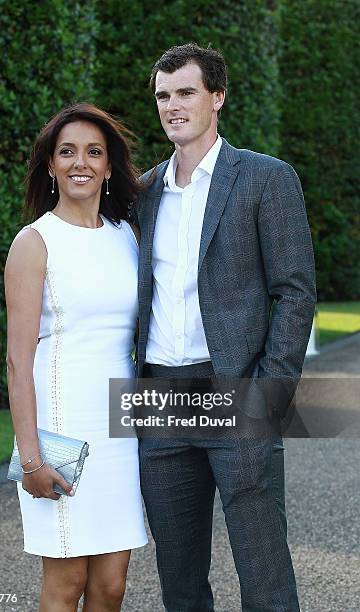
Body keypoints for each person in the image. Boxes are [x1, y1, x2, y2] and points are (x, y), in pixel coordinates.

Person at [135, 44, 316, 611]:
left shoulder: (266, 178)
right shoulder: (142, 193)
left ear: (218, 97)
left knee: (264, 573)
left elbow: (295, 289)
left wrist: (271, 390)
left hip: (235, 391)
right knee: (179, 579)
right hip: (160, 397)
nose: (172, 105)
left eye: (185, 92)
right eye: (163, 96)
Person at [5, 103, 147, 612]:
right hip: (61, 434)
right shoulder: (35, 242)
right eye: (66, 151)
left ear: (109, 166)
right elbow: (18, 363)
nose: (79, 162)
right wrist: (31, 459)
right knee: (66, 586)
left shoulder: (127, 238)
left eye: (93, 152)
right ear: (50, 165)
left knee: (111, 587)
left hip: (119, 434)